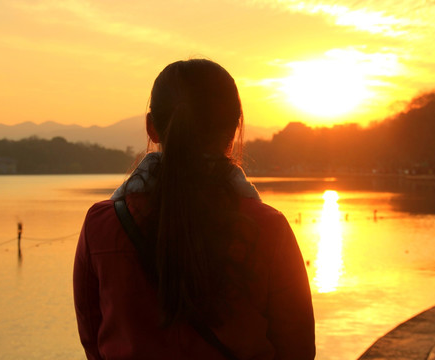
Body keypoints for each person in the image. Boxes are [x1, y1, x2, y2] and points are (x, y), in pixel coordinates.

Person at [73, 59, 315, 359]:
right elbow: (298, 349)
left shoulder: (102, 225)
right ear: (235, 127)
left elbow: (93, 342)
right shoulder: (268, 228)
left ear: (152, 127)